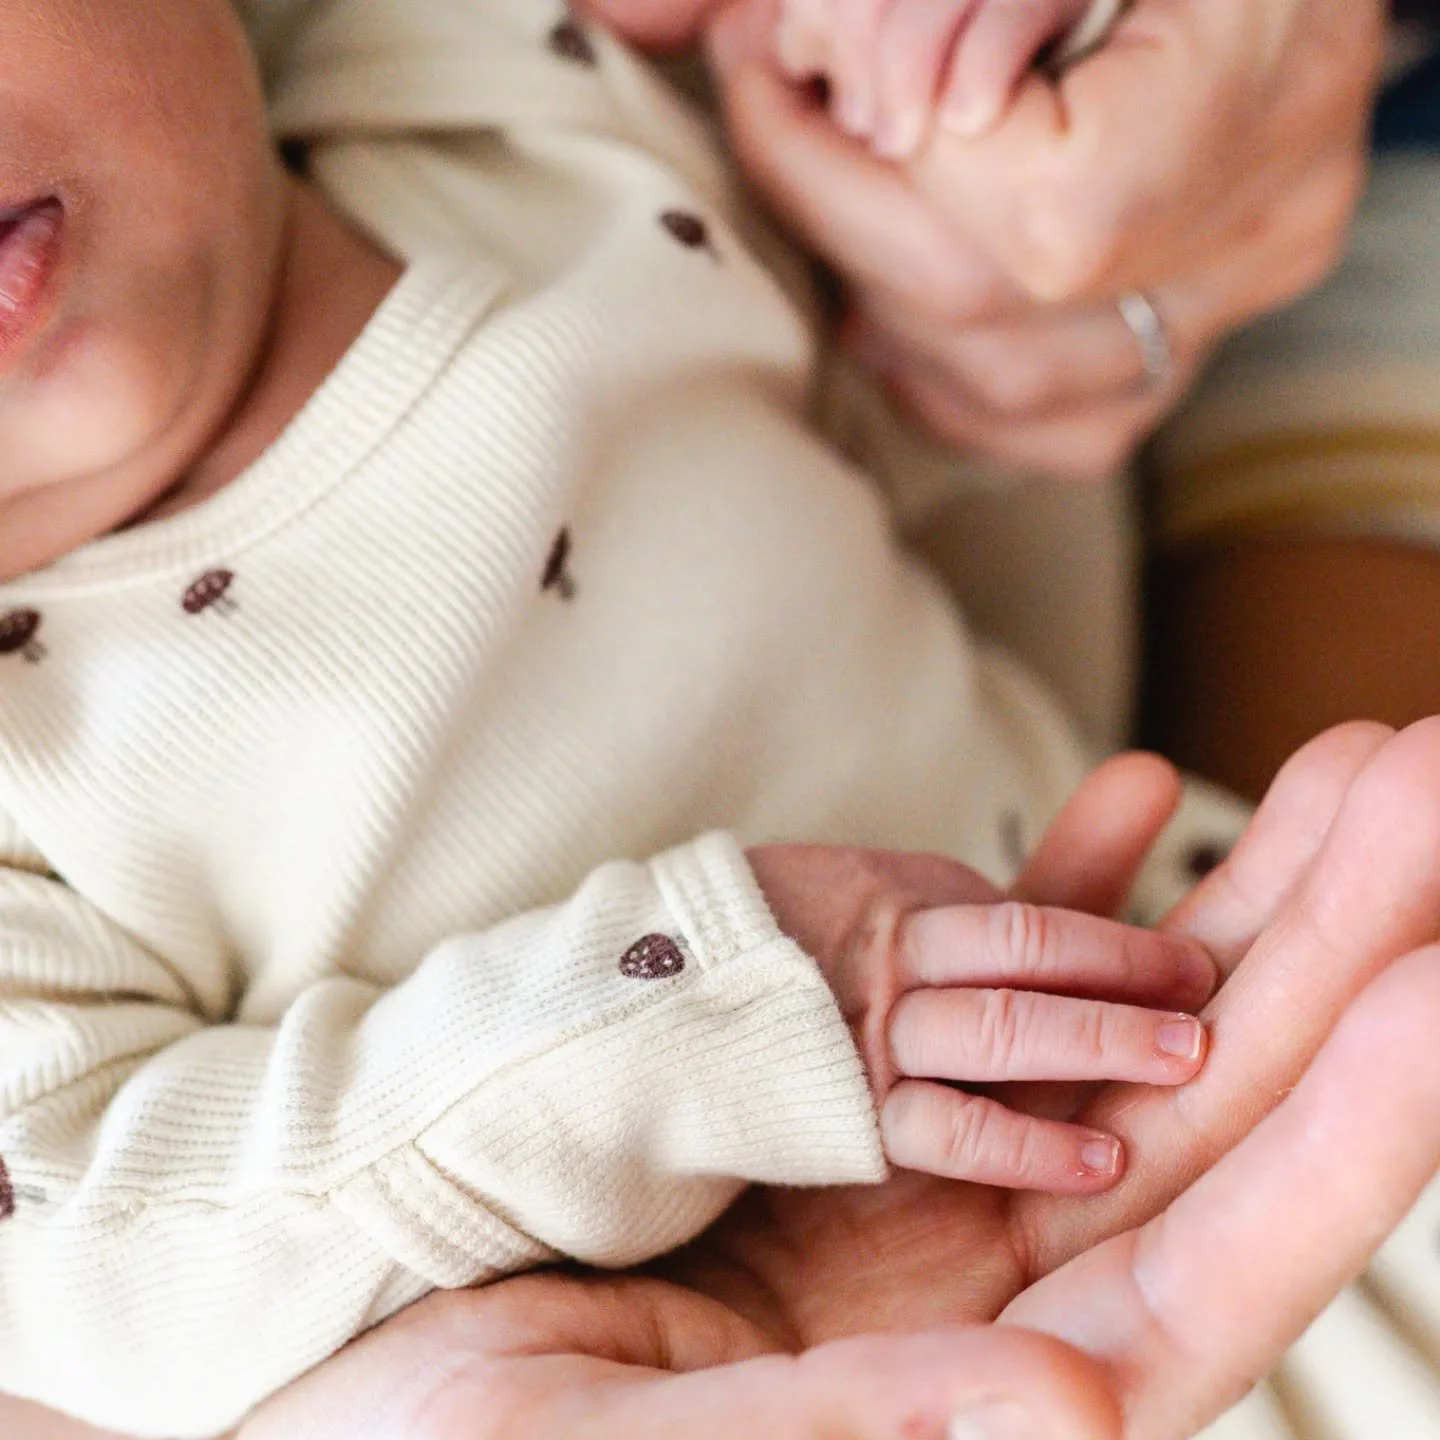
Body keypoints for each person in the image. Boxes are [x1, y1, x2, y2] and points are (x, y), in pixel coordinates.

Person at [0, 1, 1246, 1435]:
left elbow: (973, 389)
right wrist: (694, 1008)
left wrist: (987, 100)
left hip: (1194, 979)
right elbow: (103, 1258)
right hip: (817, 1369)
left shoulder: (501, 80)